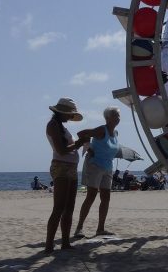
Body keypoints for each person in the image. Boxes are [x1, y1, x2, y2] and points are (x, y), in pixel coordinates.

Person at [44, 97, 87, 253]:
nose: (71, 117)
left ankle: (65, 242)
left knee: (69, 207)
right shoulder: (53, 125)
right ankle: (49, 244)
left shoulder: (60, 125)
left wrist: (78, 144)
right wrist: (78, 143)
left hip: (71, 168)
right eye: (70, 114)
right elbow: (61, 150)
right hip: (61, 167)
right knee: (59, 207)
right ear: (62, 112)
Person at [73, 107, 120, 238]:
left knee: (106, 198)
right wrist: (88, 148)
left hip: (108, 167)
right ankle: (79, 228)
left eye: (119, 116)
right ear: (108, 118)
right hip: (95, 165)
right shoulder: (101, 130)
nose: (118, 118)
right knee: (91, 196)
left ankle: (100, 229)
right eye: (115, 115)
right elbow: (81, 133)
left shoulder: (115, 133)